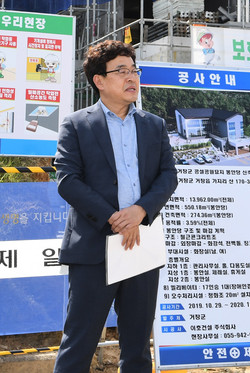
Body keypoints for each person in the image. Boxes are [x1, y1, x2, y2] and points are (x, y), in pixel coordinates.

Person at [53, 40, 178, 373]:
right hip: (95, 247)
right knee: (79, 343)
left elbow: (168, 176)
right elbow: (67, 180)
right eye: (121, 71)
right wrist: (114, 218)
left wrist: (140, 212)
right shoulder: (77, 124)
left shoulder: (153, 125)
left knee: (137, 347)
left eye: (134, 70)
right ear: (99, 80)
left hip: (141, 245)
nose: (131, 77)